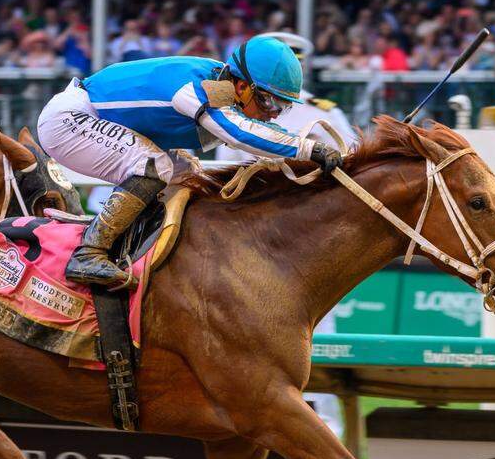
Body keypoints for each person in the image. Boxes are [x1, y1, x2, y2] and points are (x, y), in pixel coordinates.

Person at [36, 36, 343, 288]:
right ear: (241, 86)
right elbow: (238, 134)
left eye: (282, 106)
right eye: (268, 101)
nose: (273, 113)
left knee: (190, 173)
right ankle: (89, 254)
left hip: (96, 118)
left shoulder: (223, 84)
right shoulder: (197, 89)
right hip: (70, 119)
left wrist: (304, 148)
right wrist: (308, 149)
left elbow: (263, 131)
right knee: (154, 165)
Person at [253, 32, 358, 147]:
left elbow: (351, 155)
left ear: (301, 69)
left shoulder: (323, 113)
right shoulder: (243, 106)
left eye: (289, 67)